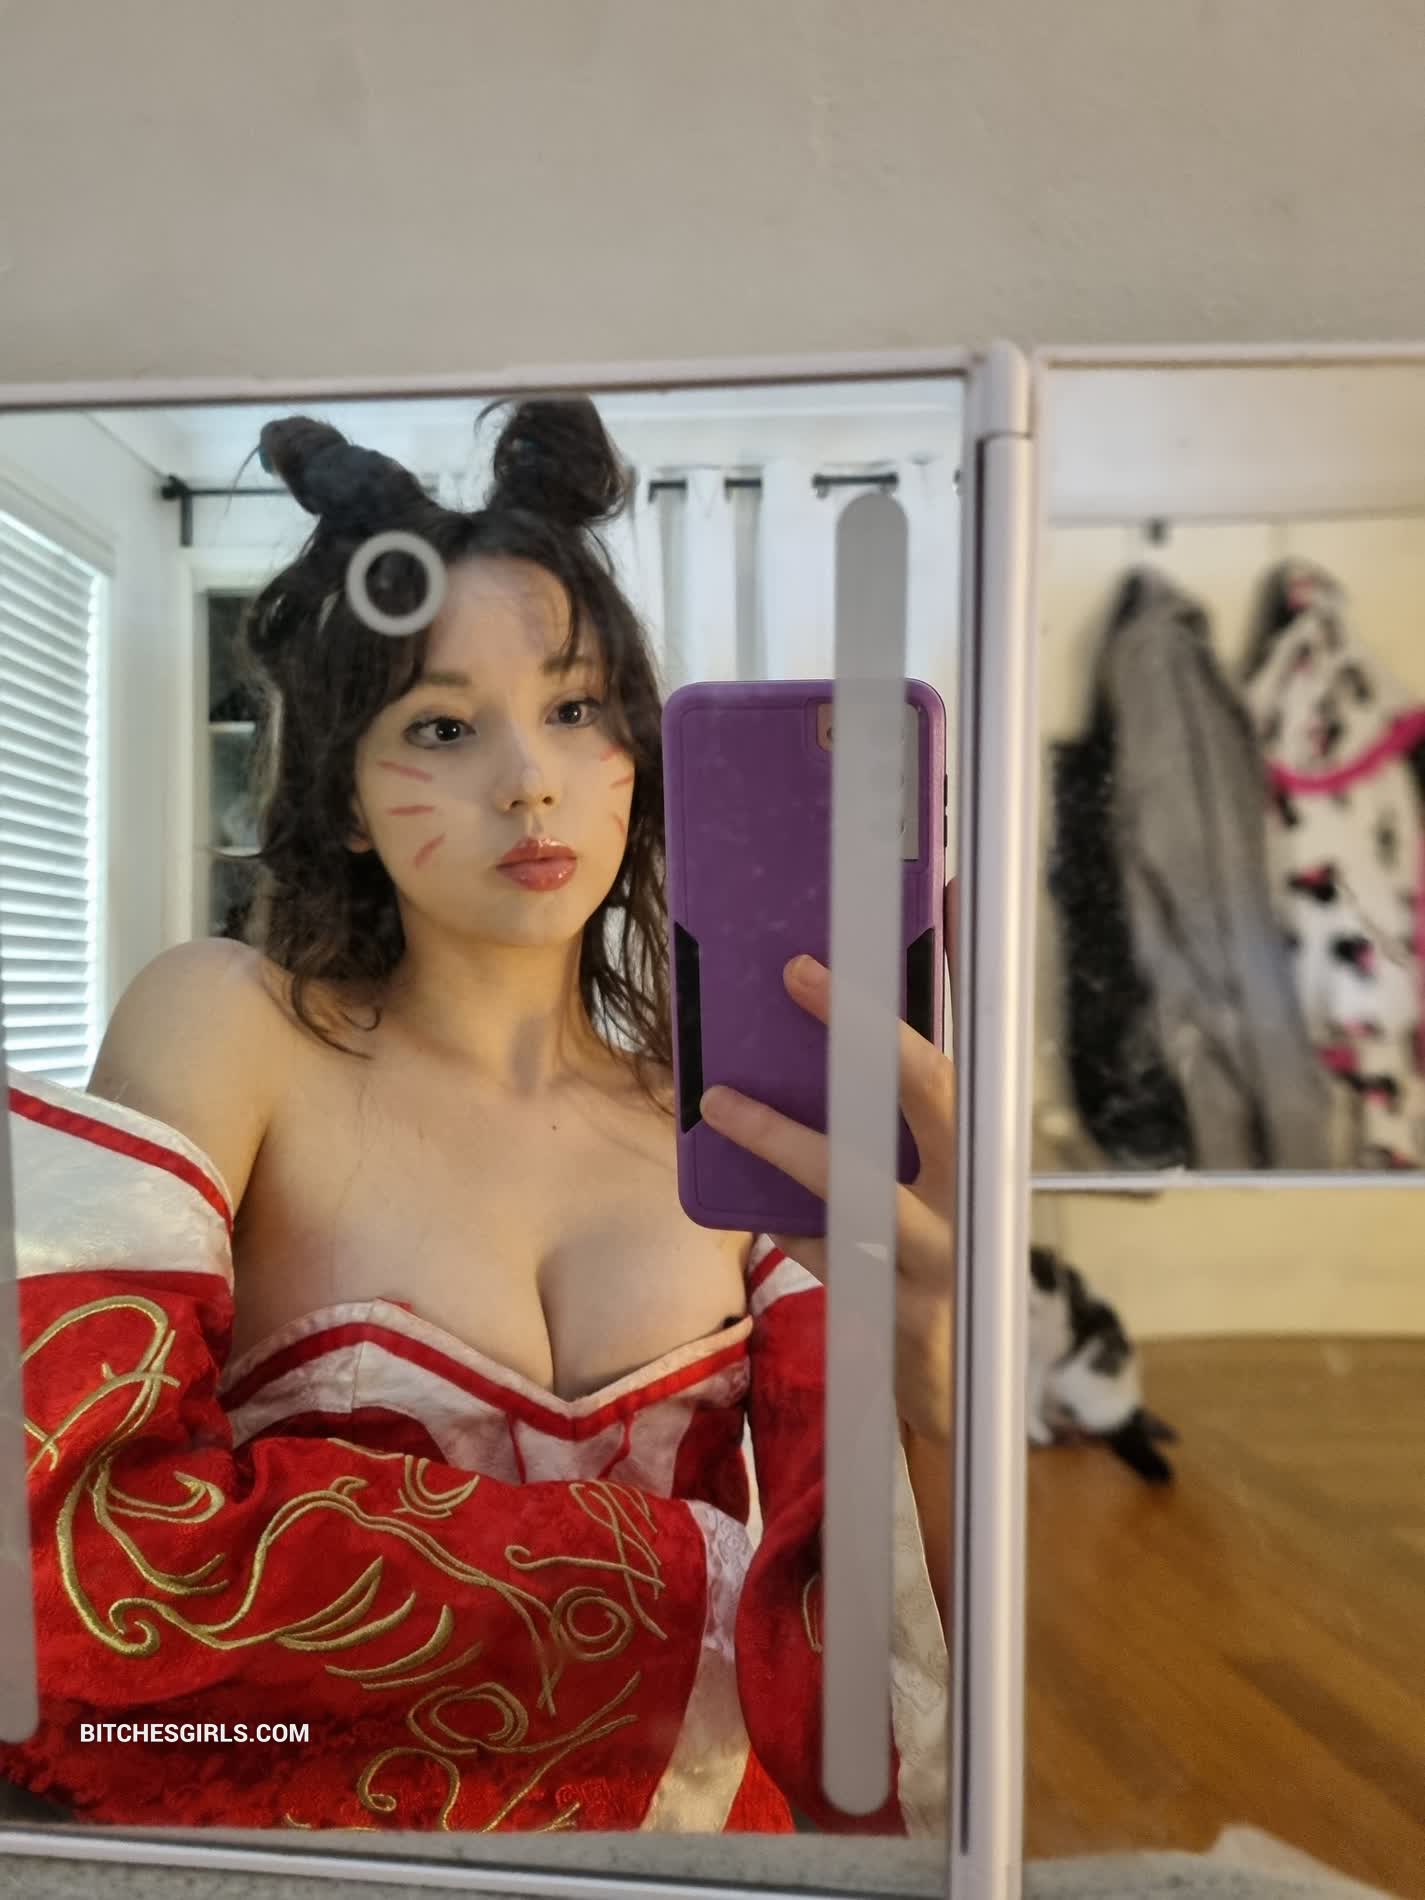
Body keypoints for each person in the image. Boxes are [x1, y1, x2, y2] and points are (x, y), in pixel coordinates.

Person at [0, 399, 955, 1835]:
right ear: (341, 799)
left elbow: (877, 1698)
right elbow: (69, 1590)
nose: (529, 781)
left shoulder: (729, 1123)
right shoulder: (231, 1024)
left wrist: (943, 1380)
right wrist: (694, 1578)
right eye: (442, 727)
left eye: (575, 709)